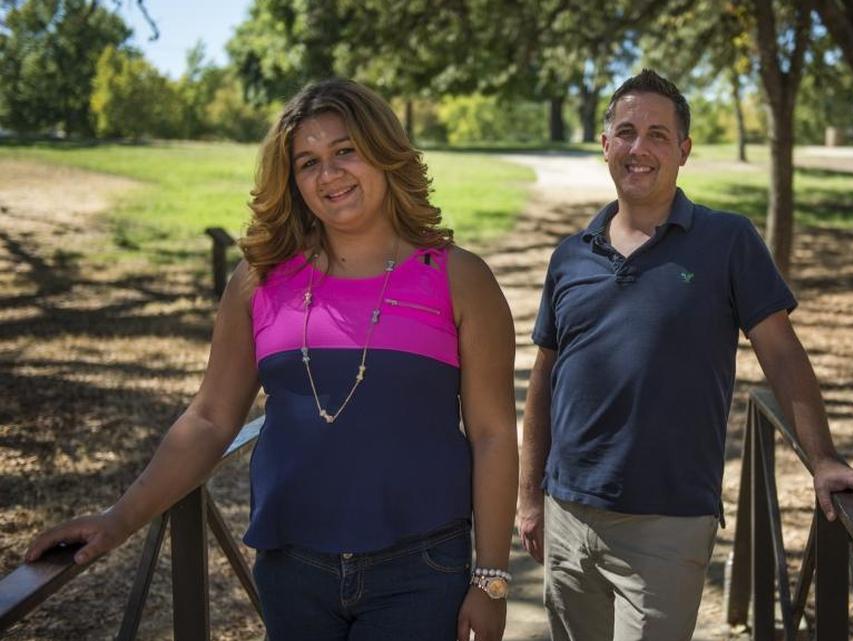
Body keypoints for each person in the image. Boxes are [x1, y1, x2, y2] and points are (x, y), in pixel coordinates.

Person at [26, 79, 518, 641]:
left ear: (384, 153)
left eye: (345, 151)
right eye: (308, 162)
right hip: (292, 571)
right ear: (292, 180)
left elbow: (493, 433)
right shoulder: (259, 281)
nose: (329, 175)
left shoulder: (459, 278)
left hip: (421, 570)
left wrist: (491, 578)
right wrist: (117, 520)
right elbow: (210, 418)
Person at [516, 69, 853, 641]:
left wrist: (825, 460)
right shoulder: (571, 255)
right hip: (567, 515)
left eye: (659, 135)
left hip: (668, 524)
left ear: (684, 151)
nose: (640, 148)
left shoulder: (728, 240)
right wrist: (529, 498)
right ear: (605, 144)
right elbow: (545, 380)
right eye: (627, 131)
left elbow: (783, 357)